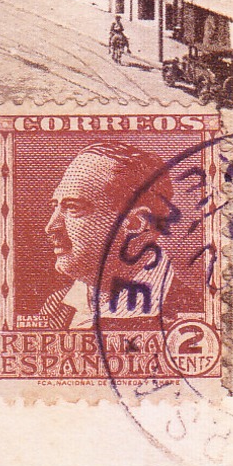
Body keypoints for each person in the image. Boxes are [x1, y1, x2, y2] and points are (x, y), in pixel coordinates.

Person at [31, 140, 193, 329]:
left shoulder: (186, 312)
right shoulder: (54, 308)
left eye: (73, 208)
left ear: (135, 223)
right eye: (55, 207)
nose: (51, 227)